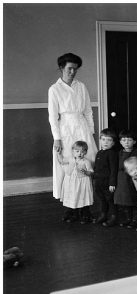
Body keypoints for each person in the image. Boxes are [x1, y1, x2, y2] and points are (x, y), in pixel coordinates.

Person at [48, 53, 98, 202]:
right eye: (69, 68)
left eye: (75, 69)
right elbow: (53, 116)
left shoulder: (81, 86)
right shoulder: (54, 89)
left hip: (82, 128)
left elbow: (88, 111)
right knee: (67, 163)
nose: (72, 72)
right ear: (62, 68)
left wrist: (91, 132)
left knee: (87, 160)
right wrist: (57, 138)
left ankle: (86, 201)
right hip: (65, 130)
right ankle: (69, 203)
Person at [114, 130, 137, 229]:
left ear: (134, 142)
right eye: (124, 140)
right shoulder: (119, 153)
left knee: (134, 199)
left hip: (133, 179)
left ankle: (135, 219)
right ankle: (128, 218)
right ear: (120, 142)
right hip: (122, 179)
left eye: (129, 140)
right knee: (124, 200)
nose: (126, 142)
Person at [58, 141, 94, 224]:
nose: (80, 153)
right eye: (77, 151)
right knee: (73, 196)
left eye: (82, 151)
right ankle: (75, 214)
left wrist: (86, 172)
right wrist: (59, 153)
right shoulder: (70, 159)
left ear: (85, 152)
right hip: (71, 181)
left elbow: (91, 172)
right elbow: (62, 161)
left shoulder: (86, 161)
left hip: (82, 182)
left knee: (81, 196)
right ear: (73, 151)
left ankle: (85, 215)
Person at [93, 129, 119, 227]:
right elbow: (97, 167)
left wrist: (112, 183)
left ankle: (113, 216)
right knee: (101, 199)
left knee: (110, 200)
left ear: (113, 143)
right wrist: (94, 177)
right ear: (100, 140)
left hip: (107, 182)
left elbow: (113, 169)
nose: (105, 142)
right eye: (103, 139)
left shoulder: (112, 153)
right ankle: (103, 214)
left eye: (109, 140)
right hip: (99, 181)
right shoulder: (99, 153)